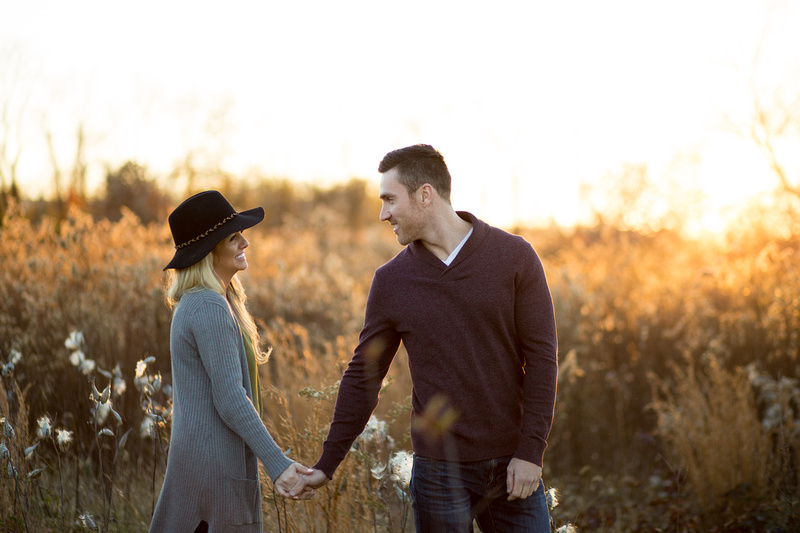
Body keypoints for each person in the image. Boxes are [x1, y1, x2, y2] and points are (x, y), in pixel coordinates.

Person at [297, 144, 559, 532]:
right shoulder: (391, 281)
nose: (383, 213)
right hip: (438, 474)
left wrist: (531, 452)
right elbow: (364, 375)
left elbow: (541, 357)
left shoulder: (514, 257)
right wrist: (327, 464)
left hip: (511, 465)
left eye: (389, 199)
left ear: (425, 194)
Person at [150, 190, 313, 533]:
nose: (245, 242)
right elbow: (230, 397)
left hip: (207, 465)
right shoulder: (208, 306)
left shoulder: (206, 302)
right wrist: (278, 464)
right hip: (213, 472)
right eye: (234, 237)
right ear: (210, 249)